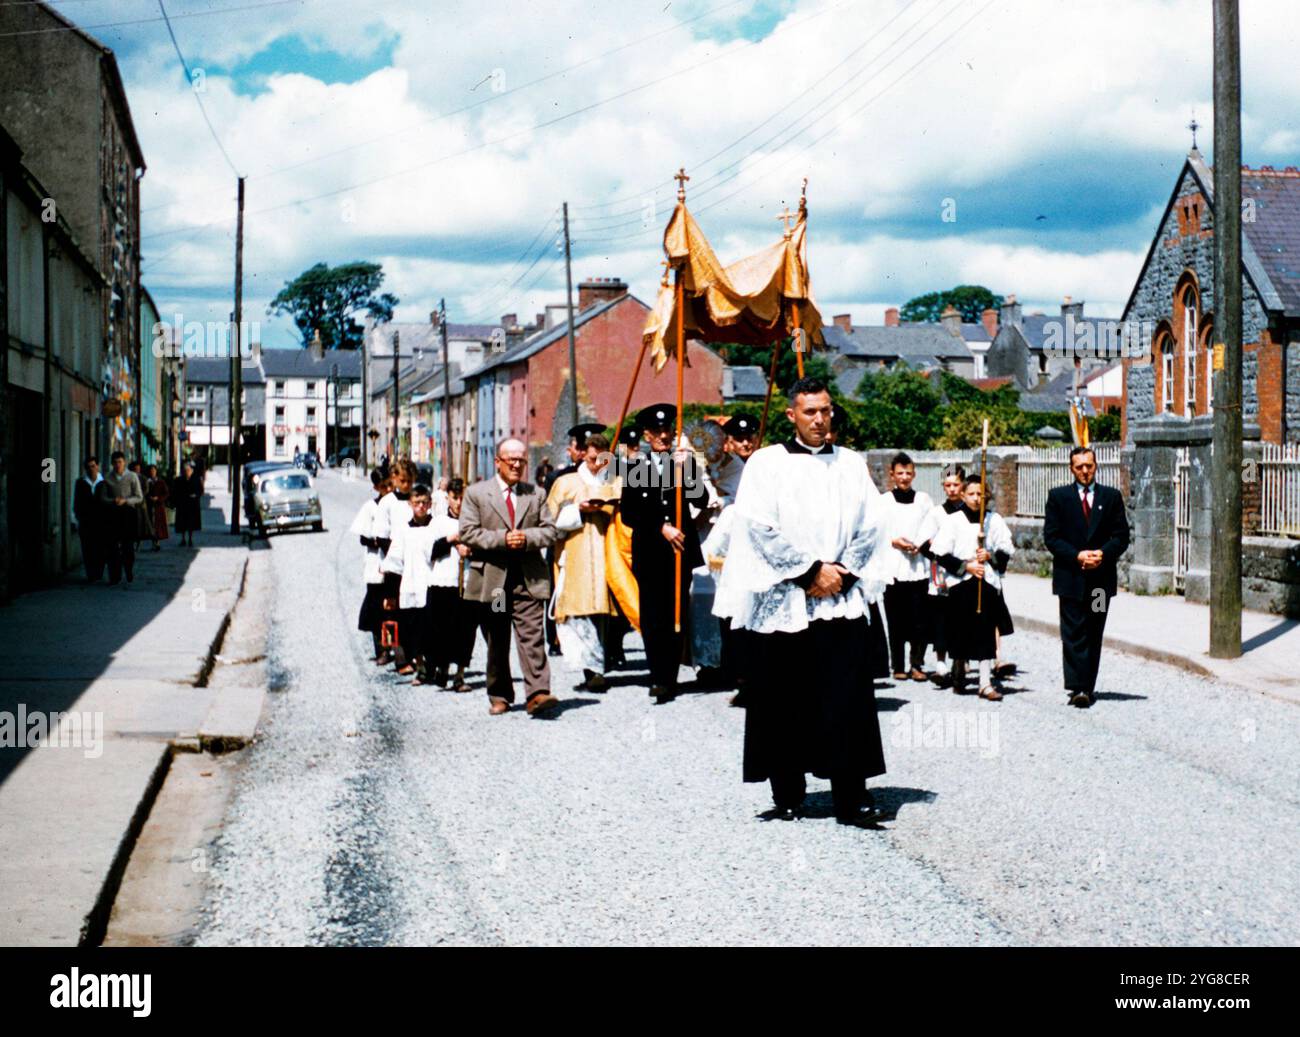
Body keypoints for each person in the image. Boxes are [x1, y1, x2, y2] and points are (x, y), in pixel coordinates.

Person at [713, 377, 889, 828]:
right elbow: (757, 526)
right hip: (786, 598)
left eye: (826, 410)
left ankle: (851, 796)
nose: (819, 420)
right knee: (782, 696)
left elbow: (872, 525)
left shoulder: (851, 464)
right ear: (791, 415)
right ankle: (787, 792)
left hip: (839, 598)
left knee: (845, 697)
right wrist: (809, 572)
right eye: (809, 412)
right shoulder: (767, 464)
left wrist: (841, 573)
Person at [458, 437, 560, 717]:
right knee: (498, 637)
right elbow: (467, 531)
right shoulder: (477, 494)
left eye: (521, 460)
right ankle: (500, 693)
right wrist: (503, 539)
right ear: (497, 462)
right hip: (495, 582)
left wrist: (525, 538)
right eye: (511, 459)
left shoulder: (536, 494)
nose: (517, 464)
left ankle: (538, 693)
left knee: (532, 635)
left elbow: (550, 531)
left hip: (527, 579)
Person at [619, 404, 708, 704]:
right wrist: (661, 526)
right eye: (656, 431)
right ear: (646, 435)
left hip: (679, 551)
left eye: (667, 430)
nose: (663, 436)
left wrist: (690, 471)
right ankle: (657, 676)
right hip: (651, 550)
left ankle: (670, 676)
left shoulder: (682, 463)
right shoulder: (634, 467)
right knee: (653, 614)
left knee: (676, 613)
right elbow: (630, 513)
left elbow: (702, 499)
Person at [1042, 445, 1130, 709]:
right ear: (1071, 468)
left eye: (1089, 466)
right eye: (1079, 466)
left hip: (1100, 582)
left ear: (1096, 466)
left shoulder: (1111, 497)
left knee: (1094, 630)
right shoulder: (1059, 497)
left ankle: (1088, 686)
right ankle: (1077, 687)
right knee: (1073, 633)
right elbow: (1052, 537)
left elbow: (1121, 536)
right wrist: (1077, 555)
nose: (1084, 471)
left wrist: (1103, 554)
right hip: (1071, 579)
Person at [929, 477, 1015, 700]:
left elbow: (1006, 550)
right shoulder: (954, 520)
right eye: (972, 494)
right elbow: (940, 553)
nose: (977, 499)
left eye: (981, 494)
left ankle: (985, 682)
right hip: (961, 585)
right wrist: (966, 565)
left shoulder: (993, 520)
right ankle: (958, 667)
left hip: (986, 583)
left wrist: (990, 556)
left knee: (986, 631)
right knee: (960, 630)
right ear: (964, 495)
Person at [547, 433, 618, 692]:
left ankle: (603, 660)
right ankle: (592, 669)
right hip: (575, 553)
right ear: (582, 455)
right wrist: (578, 510)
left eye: (602, 459)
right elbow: (549, 520)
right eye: (591, 459)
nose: (597, 465)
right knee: (580, 611)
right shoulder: (566, 483)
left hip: (606, 552)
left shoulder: (615, 481)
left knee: (603, 611)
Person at [878, 452, 935, 682]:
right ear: (892, 474)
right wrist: (894, 541)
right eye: (900, 473)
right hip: (894, 567)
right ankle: (898, 665)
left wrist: (919, 543)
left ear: (914, 474)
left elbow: (932, 526)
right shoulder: (883, 502)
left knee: (919, 619)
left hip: (918, 566)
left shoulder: (923, 500)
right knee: (896, 619)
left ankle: (917, 664)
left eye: (908, 473)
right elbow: (877, 532)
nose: (904, 477)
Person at [382, 484, 439, 685]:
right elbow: (394, 562)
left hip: (434, 585)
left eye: (424, 503)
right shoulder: (403, 530)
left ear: (430, 504)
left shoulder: (437, 527)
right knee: (414, 630)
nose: (421, 507)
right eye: (417, 503)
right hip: (411, 584)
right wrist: (390, 594)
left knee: (433, 628)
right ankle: (421, 667)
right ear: (410, 504)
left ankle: (434, 666)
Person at [917, 464, 965, 686]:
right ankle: (941, 664)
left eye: (956, 484)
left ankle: (961, 661)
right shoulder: (936, 513)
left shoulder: (971, 511)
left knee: (962, 617)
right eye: (948, 485)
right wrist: (937, 557)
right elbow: (923, 544)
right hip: (943, 573)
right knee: (941, 618)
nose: (952, 489)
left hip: (966, 571)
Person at [426, 478, 476, 692]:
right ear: (448, 499)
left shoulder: (474, 523)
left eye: (463, 499)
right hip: (443, 582)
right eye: (455, 498)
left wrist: (468, 549)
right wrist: (451, 541)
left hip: (465, 583)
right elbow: (430, 551)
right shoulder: (438, 522)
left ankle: (460, 674)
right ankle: (442, 667)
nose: (459, 503)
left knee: (465, 630)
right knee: (441, 629)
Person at [373, 459, 417, 672]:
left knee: (413, 610)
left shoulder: (417, 500)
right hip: (394, 565)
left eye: (410, 481)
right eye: (402, 480)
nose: (406, 485)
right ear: (394, 479)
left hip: (416, 564)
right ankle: (398, 657)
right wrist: (395, 555)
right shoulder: (387, 502)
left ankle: (415, 654)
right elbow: (381, 536)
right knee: (392, 611)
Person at [351, 470, 393, 664]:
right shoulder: (370, 507)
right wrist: (380, 541)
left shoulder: (396, 505)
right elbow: (363, 538)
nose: (389, 490)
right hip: (376, 563)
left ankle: (395, 646)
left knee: (391, 609)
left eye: (391, 485)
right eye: (385, 487)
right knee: (377, 608)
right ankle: (382, 649)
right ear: (377, 488)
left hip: (394, 564)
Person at [101, 452, 144, 586]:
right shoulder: (108, 477)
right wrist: (113, 500)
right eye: (115, 462)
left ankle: (128, 569)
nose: (117, 465)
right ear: (112, 463)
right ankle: (115, 575)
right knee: (112, 546)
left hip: (128, 513)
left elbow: (139, 496)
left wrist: (126, 501)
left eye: (120, 462)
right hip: (113, 514)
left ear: (124, 462)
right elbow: (103, 497)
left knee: (128, 545)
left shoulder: (132, 476)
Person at [73, 457, 105, 581]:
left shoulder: (104, 482)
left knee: (100, 548)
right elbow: (76, 502)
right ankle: (91, 574)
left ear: (98, 466)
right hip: (86, 522)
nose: (91, 469)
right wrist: (77, 517)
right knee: (87, 548)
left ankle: (99, 572)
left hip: (101, 522)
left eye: (93, 466)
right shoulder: (80, 483)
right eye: (88, 467)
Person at [144, 464, 170, 550]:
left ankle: (157, 542)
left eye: (154, 470)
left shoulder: (161, 482)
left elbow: (166, 493)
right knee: (151, 524)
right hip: (150, 506)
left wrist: (158, 498)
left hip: (159, 506)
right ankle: (153, 542)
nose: (152, 472)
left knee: (158, 524)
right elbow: (143, 492)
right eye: (151, 471)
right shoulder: (147, 482)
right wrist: (149, 498)